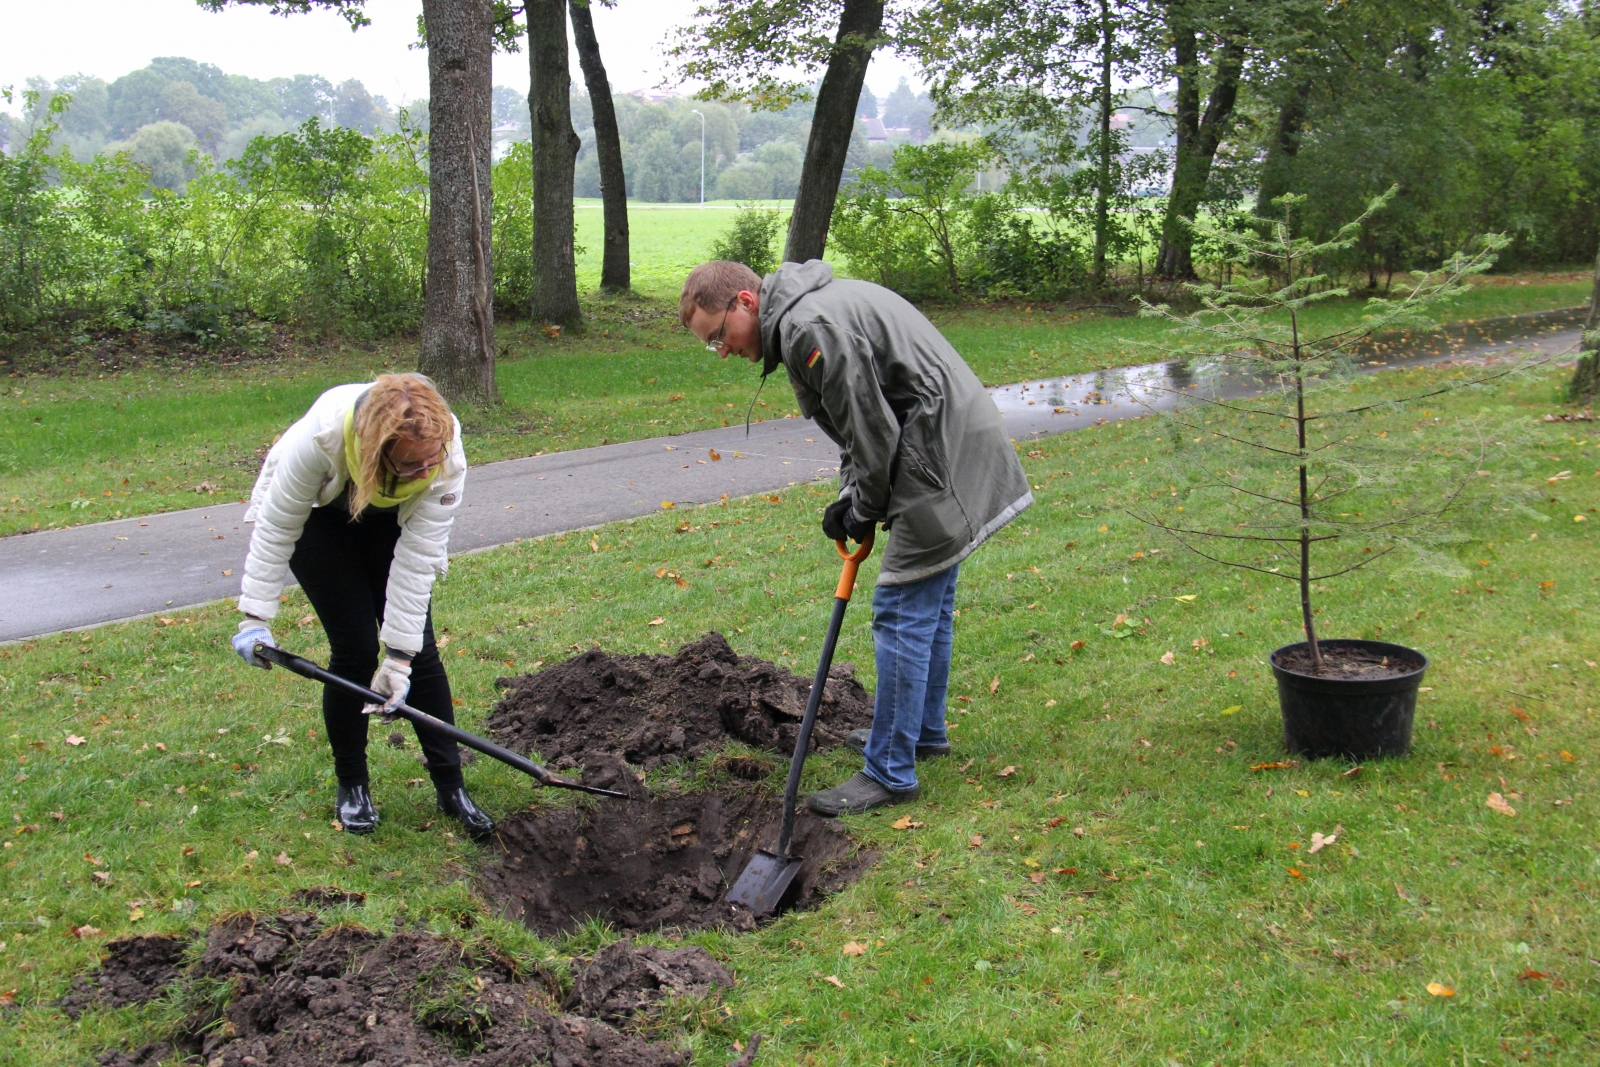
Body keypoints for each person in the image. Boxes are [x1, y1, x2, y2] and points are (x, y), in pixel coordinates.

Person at [680, 260, 1032, 815]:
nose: (722, 351)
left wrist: (864, 508)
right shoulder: (807, 312)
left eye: (719, 336)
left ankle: (890, 770)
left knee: (901, 607)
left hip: (938, 453)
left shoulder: (806, 328)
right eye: (711, 346)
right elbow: (859, 421)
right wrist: (852, 497)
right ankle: (921, 733)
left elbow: (873, 430)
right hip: (946, 442)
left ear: (746, 302)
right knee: (929, 604)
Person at [229, 374, 493, 837]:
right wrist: (255, 618)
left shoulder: (444, 453)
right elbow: (276, 529)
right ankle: (353, 784)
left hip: (390, 518)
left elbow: (416, 564)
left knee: (421, 650)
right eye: (414, 465)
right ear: (378, 451)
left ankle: (451, 785)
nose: (428, 470)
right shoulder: (318, 441)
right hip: (319, 516)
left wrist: (400, 657)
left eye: (433, 460)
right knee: (352, 647)